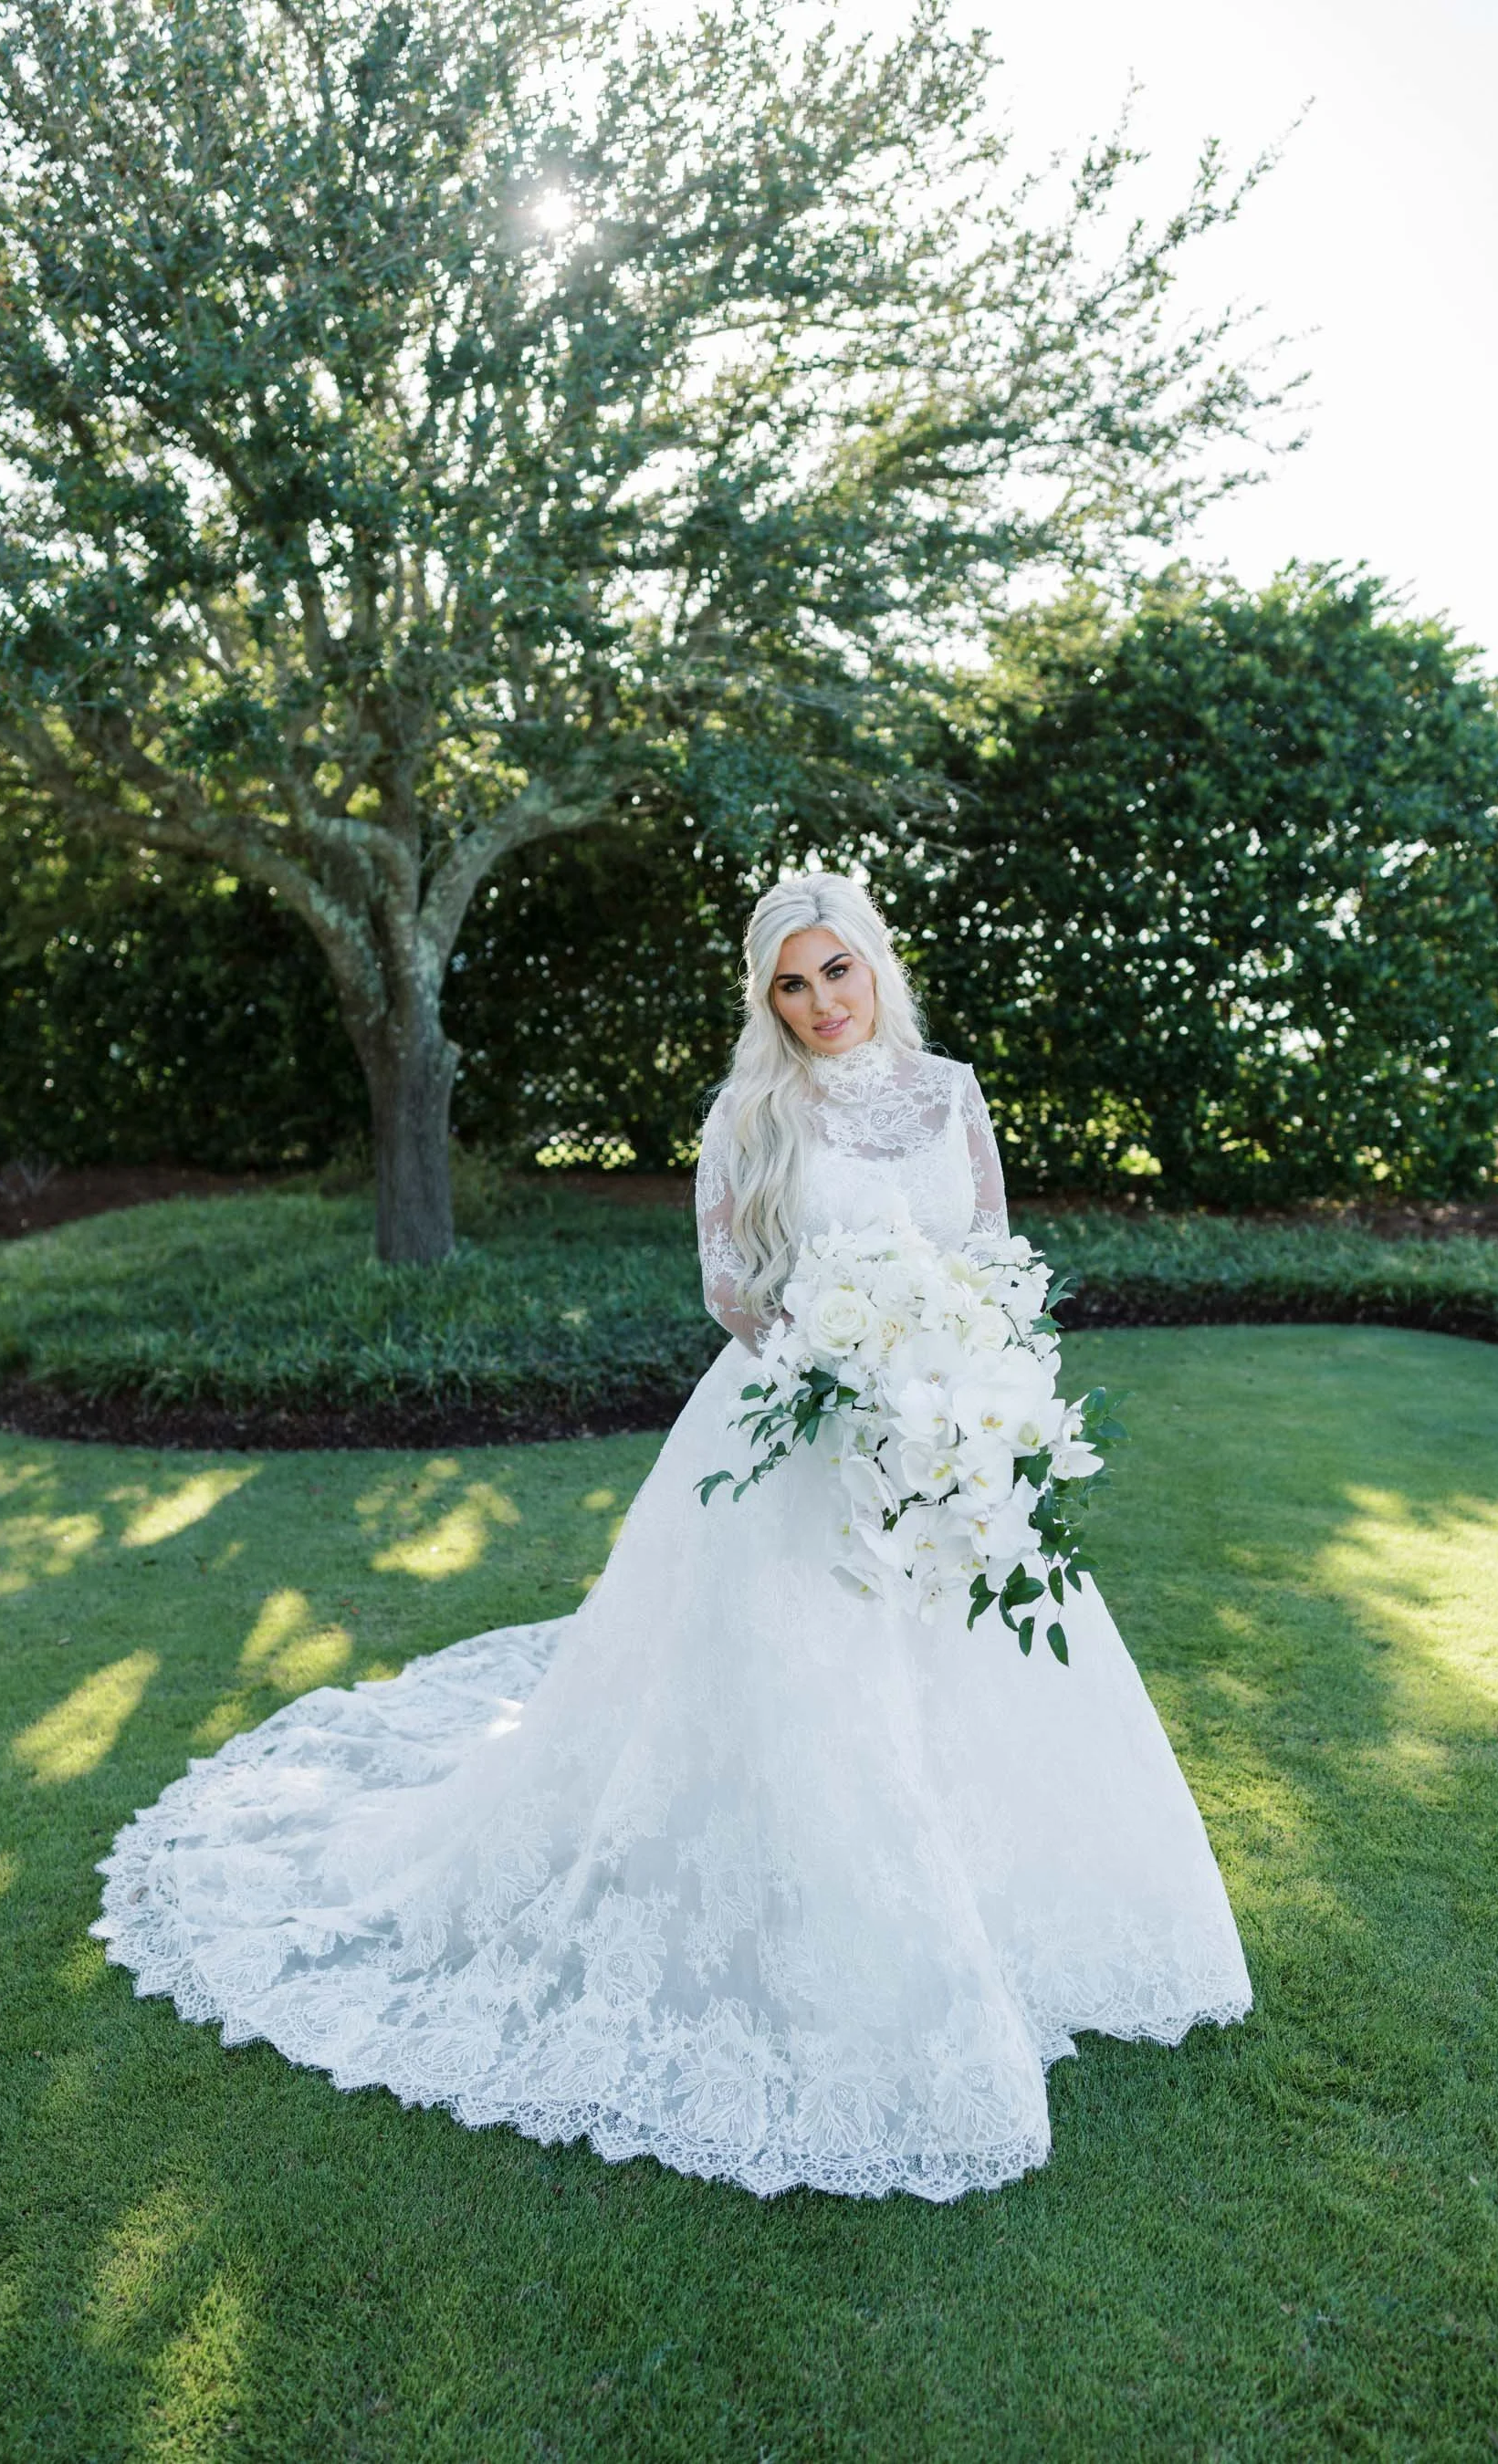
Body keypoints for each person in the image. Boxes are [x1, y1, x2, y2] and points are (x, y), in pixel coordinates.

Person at [95, 874, 1251, 2201]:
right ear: (767, 998)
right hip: (798, 1427)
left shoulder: (954, 1096)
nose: (820, 1003)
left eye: (837, 972)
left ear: (875, 964)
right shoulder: (750, 1113)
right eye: (791, 984)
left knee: (972, 1655)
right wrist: (840, 1353)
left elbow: (991, 1251)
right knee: (804, 1680)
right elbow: (723, 1284)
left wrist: (957, 1374)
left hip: (946, 1435)